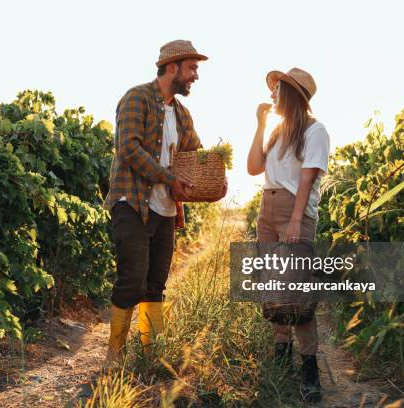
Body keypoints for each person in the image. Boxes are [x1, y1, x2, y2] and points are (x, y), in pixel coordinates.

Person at [103, 40, 226, 366]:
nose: (195, 76)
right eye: (192, 68)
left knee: (155, 284)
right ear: (172, 67)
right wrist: (169, 178)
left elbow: (196, 158)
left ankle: (150, 355)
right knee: (133, 279)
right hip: (132, 203)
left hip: (166, 210)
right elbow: (128, 149)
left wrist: (216, 180)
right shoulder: (136, 98)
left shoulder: (183, 115)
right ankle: (114, 354)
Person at [246, 67, 330, 403]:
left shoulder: (315, 130)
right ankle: (281, 351)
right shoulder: (279, 131)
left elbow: (307, 180)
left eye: (277, 90)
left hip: (293, 213)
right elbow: (253, 168)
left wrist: (296, 220)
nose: (271, 95)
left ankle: (310, 365)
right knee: (274, 288)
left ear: (293, 94)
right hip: (267, 211)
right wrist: (260, 125)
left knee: (296, 291)